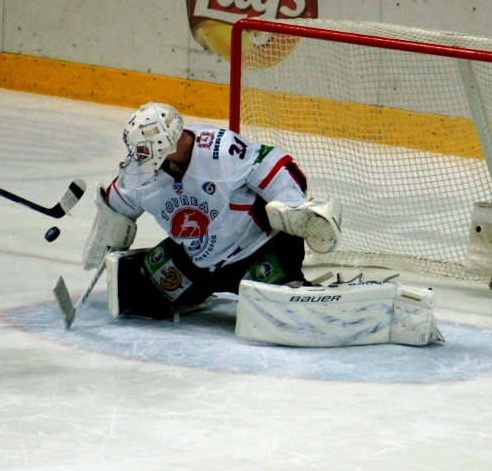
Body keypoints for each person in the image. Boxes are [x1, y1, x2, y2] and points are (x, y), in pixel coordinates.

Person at [81, 101, 341, 320]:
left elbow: (273, 164)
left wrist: (291, 204)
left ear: (165, 144)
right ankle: (198, 289)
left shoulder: (221, 151)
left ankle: (294, 288)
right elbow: (115, 209)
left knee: (287, 313)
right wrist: (106, 236)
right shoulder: (139, 172)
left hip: (257, 249)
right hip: (196, 262)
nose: (137, 157)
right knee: (134, 298)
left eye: (144, 149)